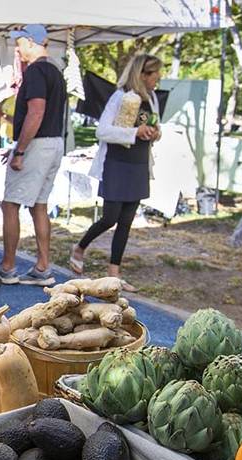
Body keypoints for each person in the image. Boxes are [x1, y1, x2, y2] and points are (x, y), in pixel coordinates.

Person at [70, 53, 163, 292]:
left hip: (139, 163)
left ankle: (114, 273)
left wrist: (154, 132)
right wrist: (133, 133)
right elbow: (103, 131)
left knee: (126, 221)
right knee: (110, 217)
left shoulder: (151, 98)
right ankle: (80, 247)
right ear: (142, 75)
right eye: (155, 76)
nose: (157, 82)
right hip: (117, 163)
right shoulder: (120, 97)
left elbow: (153, 124)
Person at [0, 24, 67, 286]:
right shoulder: (55, 71)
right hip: (54, 142)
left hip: (37, 144)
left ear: (30, 41)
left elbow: (36, 112)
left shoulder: (36, 71)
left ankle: (8, 267)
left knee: (10, 204)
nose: (17, 48)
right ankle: (42, 267)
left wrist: (20, 150)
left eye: (19, 43)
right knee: (39, 205)